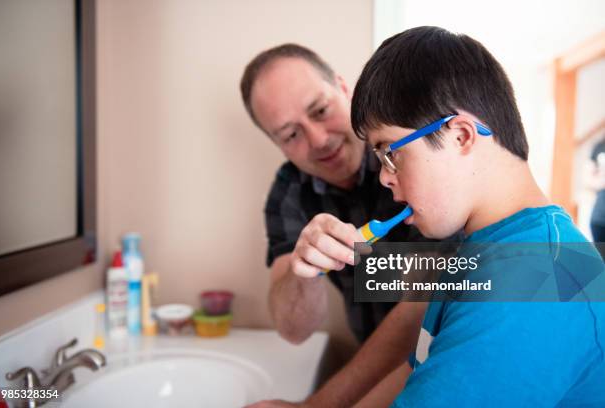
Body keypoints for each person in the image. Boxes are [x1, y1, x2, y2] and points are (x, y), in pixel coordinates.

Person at [347, 26, 605, 406]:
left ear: (461, 136)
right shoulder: (493, 248)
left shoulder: (531, 289)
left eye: (389, 151)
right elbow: (421, 365)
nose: (385, 175)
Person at [240, 45, 444, 407]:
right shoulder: (289, 192)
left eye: (320, 111)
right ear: (275, 143)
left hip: (441, 367)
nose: (318, 140)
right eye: (290, 135)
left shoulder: (413, 151)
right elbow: (293, 329)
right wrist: (305, 270)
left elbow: (421, 309)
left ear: (343, 87)